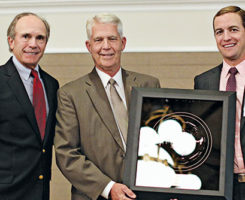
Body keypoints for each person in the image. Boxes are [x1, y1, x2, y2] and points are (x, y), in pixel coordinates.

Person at [54, 13, 160, 200]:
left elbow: (162, 142)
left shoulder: (149, 85)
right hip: (96, 195)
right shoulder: (70, 94)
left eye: (112, 39)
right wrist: (108, 187)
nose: (106, 46)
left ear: (123, 43)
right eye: (98, 40)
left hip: (146, 195)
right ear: (89, 46)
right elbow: (66, 153)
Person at [0, 12, 59, 200]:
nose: (33, 44)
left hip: (40, 191)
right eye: (26, 36)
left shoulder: (51, 85)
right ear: (11, 41)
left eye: (40, 38)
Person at [194, 6, 245, 200]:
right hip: (218, 188)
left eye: (233, 29)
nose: (226, 38)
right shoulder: (203, 82)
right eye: (219, 32)